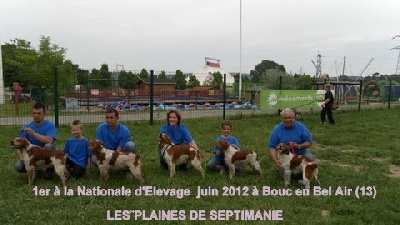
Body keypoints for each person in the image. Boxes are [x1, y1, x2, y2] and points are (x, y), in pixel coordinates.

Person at [269, 108, 314, 181]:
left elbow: (309, 142)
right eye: (285, 118)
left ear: (294, 118)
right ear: (282, 118)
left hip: (300, 153)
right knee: (282, 176)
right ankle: (294, 173)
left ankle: (301, 176)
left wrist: (298, 146)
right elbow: (272, 147)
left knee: (310, 158)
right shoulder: (277, 129)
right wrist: (276, 160)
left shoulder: (301, 127)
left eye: (290, 118)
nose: (287, 120)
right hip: (284, 156)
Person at [15, 102, 58, 178]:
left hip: (45, 153)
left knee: (49, 146)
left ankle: (49, 169)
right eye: (34, 113)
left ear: (44, 114)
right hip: (32, 155)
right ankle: (34, 169)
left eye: (39, 113)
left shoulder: (50, 125)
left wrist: (34, 134)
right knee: (19, 166)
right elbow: (18, 145)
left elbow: (50, 140)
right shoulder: (27, 127)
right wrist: (22, 158)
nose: (36, 115)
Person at [93, 108, 137, 177]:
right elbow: (100, 146)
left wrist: (112, 158)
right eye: (107, 117)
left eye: (111, 118)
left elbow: (118, 150)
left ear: (117, 118)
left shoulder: (124, 130)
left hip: (119, 153)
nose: (109, 120)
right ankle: (105, 170)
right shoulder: (100, 129)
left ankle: (127, 169)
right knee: (94, 159)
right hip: (106, 152)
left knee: (130, 145)